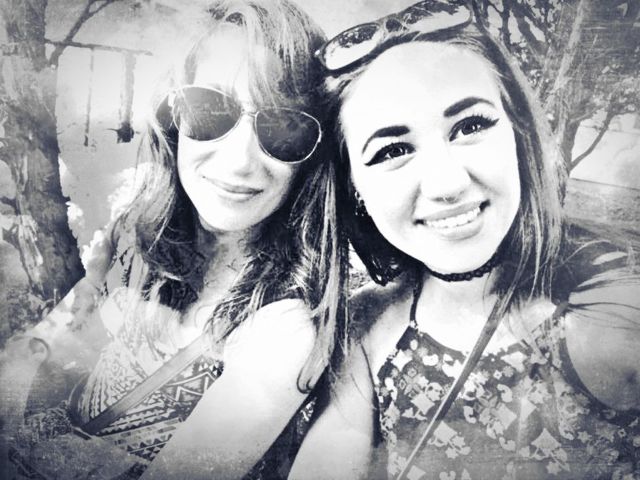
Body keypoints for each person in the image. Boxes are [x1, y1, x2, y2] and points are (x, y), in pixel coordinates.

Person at [289, 2, 640, 479]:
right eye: (392, 150)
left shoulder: (614, 305)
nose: (447, 184)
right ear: (353, 187)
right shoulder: (368, 328)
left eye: (471, 126)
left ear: (518, 133)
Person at [0, 1, 347, 479]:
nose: (239, 161)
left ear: (314, 157)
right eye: (210, 110)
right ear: (175, 118)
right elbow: (56, 346)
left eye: (284, 127)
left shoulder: (284, 328)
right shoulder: (135, 234)